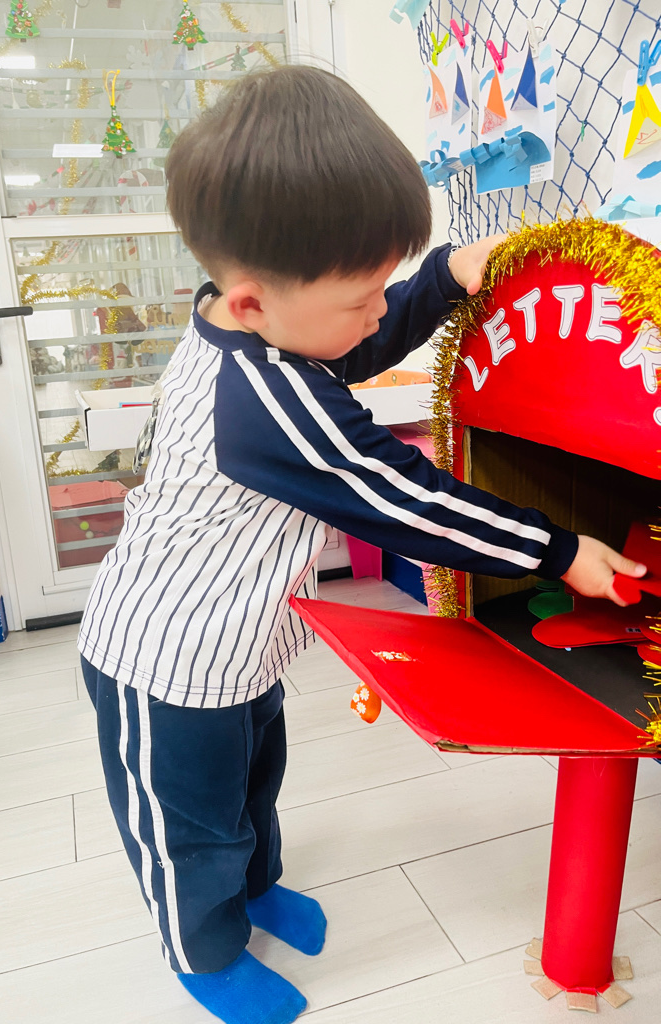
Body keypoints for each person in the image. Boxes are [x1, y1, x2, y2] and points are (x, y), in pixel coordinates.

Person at [77, 66, 645, 1024]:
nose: (379, 313)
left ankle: (254, 891)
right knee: (189, 828)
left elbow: (349, 349)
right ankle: (203, 954)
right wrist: (559, 551)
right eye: (364, 296)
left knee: (253, 785)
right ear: (253, 302)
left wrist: (443, 278)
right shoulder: (264, 402)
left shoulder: (255, 330)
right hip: (161, 662)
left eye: (384, 287)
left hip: (239, 648)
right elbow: (407, 501)